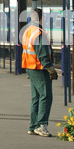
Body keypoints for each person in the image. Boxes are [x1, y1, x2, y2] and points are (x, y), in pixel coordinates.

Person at [22, 8, 58, 137]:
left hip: (30, 67)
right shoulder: (38, 32)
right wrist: (50, 68)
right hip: (39, 68)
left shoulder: (28, 30)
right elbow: (42, 52)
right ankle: (42, 125)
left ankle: (33, 126)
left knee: (36, 97)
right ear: (42, 17)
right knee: (46, 96)